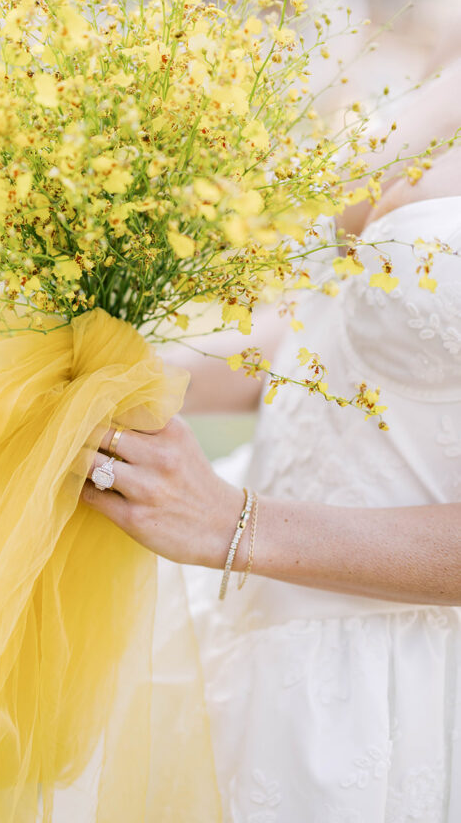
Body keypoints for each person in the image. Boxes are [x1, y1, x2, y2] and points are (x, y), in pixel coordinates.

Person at [82, 68, 461, 821]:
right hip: (220, 608)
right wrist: (144, 381)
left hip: (383, 690)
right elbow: (338, 330)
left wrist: (231, 523)